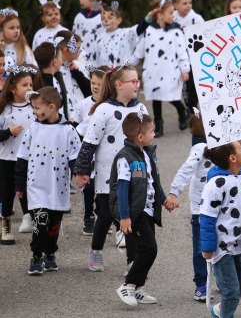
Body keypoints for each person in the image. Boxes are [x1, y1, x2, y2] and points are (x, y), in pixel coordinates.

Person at [75, 65, 148, 272]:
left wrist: (151, 168)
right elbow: (89, 143)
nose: (137, 85)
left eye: (138, 81)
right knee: (106, 216)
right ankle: (96, 250)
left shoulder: (140, 109)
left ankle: (131, 260)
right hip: (108, 176)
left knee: (131, 216)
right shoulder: (103, 110)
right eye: (132, 81)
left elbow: (148, 144)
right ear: (118, 85)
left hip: (134, 175)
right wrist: (81, 171)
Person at [15, 86, 81, 275]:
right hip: (37, 187)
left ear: (52, 107)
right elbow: (22, 157)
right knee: (40, 223)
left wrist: (79, 174)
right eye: (33, 108)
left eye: (37, 108)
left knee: (53, 226)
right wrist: (20, 184)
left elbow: (75, 157)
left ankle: (50, 253)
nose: (34, 112)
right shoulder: (33, 129)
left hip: (58, 188)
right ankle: (36, 256)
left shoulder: (68, 130)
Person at [110, 111, 173, 306]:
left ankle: (137, 288)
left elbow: (153, 182)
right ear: (140, 137)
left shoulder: (147, 154)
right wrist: (125, 216)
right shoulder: (125, 158)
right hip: (134, 212)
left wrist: (163, 199)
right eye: (152, 131)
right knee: (149, 248)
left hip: (146, 210)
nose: (154, 134)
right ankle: (127, 286)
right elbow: (121, 189)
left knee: (144, 250)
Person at [200, 142, 241, 318]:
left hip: (240, 244)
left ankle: (219, 310)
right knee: (231, 291)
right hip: (222, 247)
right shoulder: (216, 184)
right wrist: (208, 248)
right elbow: (207, 217)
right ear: (232, 158)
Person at [165, 111, 214, 302]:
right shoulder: (201, 148)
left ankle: (216, 278)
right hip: (202, 207)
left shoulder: (226, 145)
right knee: (201, 246)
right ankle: (201, 283)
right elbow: (186, 169)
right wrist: (174, 192)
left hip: (223, 205)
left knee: (221, 244)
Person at [130, 0, 190, 138]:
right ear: (160, 14)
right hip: (153, 71)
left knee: (171, 96)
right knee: (156, 97)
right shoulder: (149, 31)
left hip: (171, 70)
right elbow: (139, 51)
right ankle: (159, 125)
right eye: (170, 12)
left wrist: (185, 69)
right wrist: (128, 65)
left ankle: (182, 112)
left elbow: (182, 51)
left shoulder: (176, 31)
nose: (173, 15)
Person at [0, 65, 37, 243]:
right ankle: (5, 225)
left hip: (29, 158)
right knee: (7, 192)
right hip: (7, 158)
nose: (29, 88)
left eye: (31, 84)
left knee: (28, 188)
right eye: (24, 85)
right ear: (13, 88)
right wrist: (8, 132)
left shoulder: (35, 108)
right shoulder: (5, 109)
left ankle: (29, 217)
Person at [73, 65, 109, 236]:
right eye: (92, 83)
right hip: (87, 150)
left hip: (104, 151)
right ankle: (88, 216)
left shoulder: (109, 105)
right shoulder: (83, 105)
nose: (95, 86)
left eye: (99, 84)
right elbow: (77, 127)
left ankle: (103, 216)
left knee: (103, 186)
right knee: (88, 186)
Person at [95, 1, 152, 68]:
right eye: (103, 18)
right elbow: (95, 59)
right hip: (105, 75)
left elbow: (139, 29)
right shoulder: (99, 38)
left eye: (110, 18)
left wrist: (148, 18)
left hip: (122, 74)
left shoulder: (125, 33)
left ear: (119, 20)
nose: (106, 21)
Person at [73, 0, 104, 65]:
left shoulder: (103, 16)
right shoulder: (79, 17)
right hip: (82, 60)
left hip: (99, 61)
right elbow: (74, 38)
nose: (80, 0)